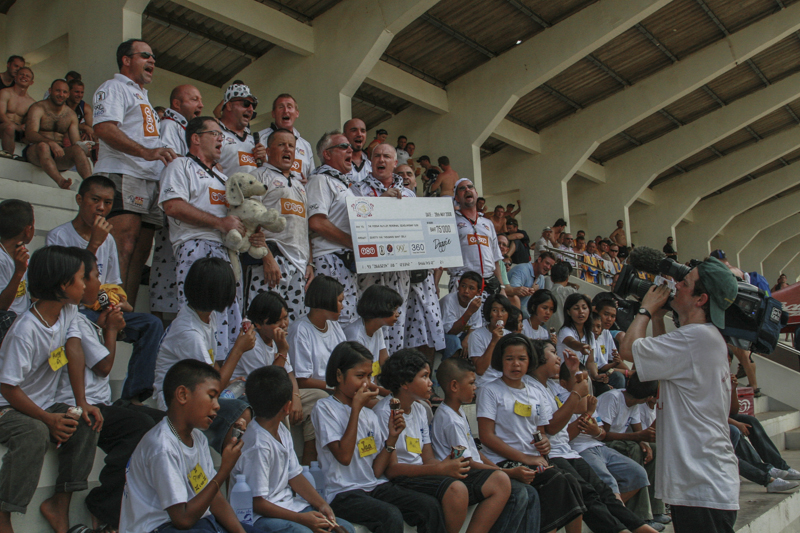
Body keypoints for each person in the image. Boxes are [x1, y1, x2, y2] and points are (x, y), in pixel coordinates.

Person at [619, 257, 740, 532]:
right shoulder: (702, 337)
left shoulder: (695, 338)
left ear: (701, 299)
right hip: (703, 481)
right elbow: (662, 364)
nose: (676, 286)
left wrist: (646, 310)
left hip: (701, 484)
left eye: (684, 283)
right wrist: (658, 318)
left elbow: (628, 349)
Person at [58, 249, 164, 531]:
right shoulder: (74, 320)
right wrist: (112, 331)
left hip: (100, 402)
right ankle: (104, 507)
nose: (99, 282)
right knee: (138, 426)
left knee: (165, 424)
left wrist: (106, 326)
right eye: (93, 276)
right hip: (81, 405)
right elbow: (104, 366)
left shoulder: (79, 318)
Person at [0, 246, 99, 533]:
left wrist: (82, 403)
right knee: (34, 433)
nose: (85, 285)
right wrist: (47, 418)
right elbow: (7, 387)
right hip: (7, 407)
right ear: (63, 285)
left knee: (86, 421)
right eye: (80, 278)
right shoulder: (26, 330)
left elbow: (74, 348)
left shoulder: (68, 310)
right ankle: (3, 512)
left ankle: (60, 503)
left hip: (41, 404)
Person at [46, 175, 165, 402]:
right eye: (95, 200)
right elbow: (64, 288)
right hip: (72, 312)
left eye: (108, 203)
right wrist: (94, 244)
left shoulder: (108, 240)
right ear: (80, 200)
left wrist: (114, 307)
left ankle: (133, 398)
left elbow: (112, 285)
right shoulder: (59, 236)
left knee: (151, 324)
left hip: (100, 307)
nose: (101, 208)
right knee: (82, 317)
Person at [310, 341, 446, 533]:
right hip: (343, 492)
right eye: (360, 376)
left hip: (373, 485)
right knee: (390, 515)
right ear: (339, 375)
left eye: (369, 376)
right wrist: (356, 410)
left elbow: (375, 471)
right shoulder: (325, 408)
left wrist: (391, 440)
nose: (366, 383)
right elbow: (344, 457)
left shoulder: (369, 415)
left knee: (429, 506)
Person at [374, 348, 512, 533]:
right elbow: (392, 470)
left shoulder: (420, 409)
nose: (431, 383)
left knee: (500, 481)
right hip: (402, 479)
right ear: (405, 382)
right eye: (424, 376)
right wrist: (439, 469)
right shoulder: (385, 413)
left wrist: (445, 467)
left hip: (425, 472)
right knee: (456, 490)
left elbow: (428, 458)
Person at [527, 339, 656, 533]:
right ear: (539, 359)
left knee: (603, 491)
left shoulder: (550, 386)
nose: (558, 357)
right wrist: (577, 395)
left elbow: (582, 408)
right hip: (555, 453)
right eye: (553, 353)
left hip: (567, 451)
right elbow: (553, 427)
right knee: (588, 493)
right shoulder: (533, 388)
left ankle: (639, 527)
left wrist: (574, 372)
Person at [119, 360, 257, 533]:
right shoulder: (162, 446)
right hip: (160, 528)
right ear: (183, 395)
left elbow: (215, 499)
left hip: (199, 522)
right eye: (211, 396)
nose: (217, 405)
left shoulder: (198, 438)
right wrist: (224, 470)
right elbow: (182, 520)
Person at [93, 39, 178, 310]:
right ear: (126, 60)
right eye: (145, 55)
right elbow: (104, 128)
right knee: (122, 246)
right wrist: (146, 152)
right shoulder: (114, 87)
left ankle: (123, 315)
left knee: (140, 253)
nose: (152, 61)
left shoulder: (142, 95)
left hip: (148, 179)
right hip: (123, 173)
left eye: (153, 57)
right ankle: (105, 312)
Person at [476, 334, 586, 533]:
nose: (516, 364)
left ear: (530, 361)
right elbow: (486, 436)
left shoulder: (534, 392)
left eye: (522, 359)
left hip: (533, 459)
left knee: (571, 481)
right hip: (503, 460)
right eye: (509, 358)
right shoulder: (490, 390)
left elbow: (540, 431)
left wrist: (544, 442)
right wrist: (525, 457)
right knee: (557, 482)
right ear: (500, 360)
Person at [233, 366, 357, 533]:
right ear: (287, 407)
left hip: (290, 506)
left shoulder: (281, 430)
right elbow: (257, 502)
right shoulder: (258, 444)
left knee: (345, 528)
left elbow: (295, 475)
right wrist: (302, 519)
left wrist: (321, 504)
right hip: (260, 517)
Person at [160, 116, 246, 356]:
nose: (221, 139)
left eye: (222, 135)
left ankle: (223, 371)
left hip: (227, 253)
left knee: (228, 319)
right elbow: (172, 206)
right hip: (195, 248)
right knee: (200, 317)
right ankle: (199, 369)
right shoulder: (180, 166)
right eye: (215, 134)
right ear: (196, 138)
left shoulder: (223, 178)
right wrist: (220, 223)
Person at [152, 258, 254, 452]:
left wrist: (230, 381)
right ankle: (231, 465)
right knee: (240, 411)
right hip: (177, 404)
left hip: (196, 392)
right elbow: (213, 385)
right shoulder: (189, 332)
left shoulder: (206, 316)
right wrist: (239, 349)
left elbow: (211, 367)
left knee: (253, 398)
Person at [432, 357, 541, 533]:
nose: (475, 387)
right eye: (471, 383)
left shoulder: (458, 412)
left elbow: (474, 453)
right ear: (454, 386)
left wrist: (499, 470)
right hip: (461, 477)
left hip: (474, 471)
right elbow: (467, 462)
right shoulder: (450, 419)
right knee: (517, 493)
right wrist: (507, 472)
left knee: (530, 493)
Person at [352, 144, 413, 355]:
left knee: (396, 319)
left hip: (400, 270)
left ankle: (391, 370)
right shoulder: (357, 189)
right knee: (371, 316)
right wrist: (379, 204)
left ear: (395, 163)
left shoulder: (409, 194)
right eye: (377, 156)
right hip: (371, 268)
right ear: (370, 161)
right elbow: (355, 224)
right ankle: (366, 368)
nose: (381, 159)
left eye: (387, 156)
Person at [246, 128, 312, 321]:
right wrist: (267, 258)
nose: (287, 149)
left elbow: (304, 227)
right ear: (268, 150)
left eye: (291, 146)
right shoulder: (258, 176)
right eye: (281, 144)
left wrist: (309, 263)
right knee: (265, 322)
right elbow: (250, 220)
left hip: (299, 266)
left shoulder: (300, 185)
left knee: (293, 325)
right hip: (272, 261)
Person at [149, 85, 204, 319]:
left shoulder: (183, 128)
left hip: (184, 208)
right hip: (172, 206)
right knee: (166, 265)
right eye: (194, 99)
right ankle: (164, 320)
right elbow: (171, 161)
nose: (201, 105)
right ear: (176, 104)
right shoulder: (170, 126)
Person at [287, 275, 347, 462]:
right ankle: (310, 465)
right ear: (325, 300)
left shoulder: (334, 326)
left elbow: (347, 360)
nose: (342, 306)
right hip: (313, 390)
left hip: (335, 387)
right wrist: (335, 387)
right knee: (320, 400)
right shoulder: (301, 330)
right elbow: (302, 379)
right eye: (339, 301)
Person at [597, 374, 665, 528]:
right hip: (603, 444)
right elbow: (603, 435)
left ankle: (656, 509)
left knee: (654, 448)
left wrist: (645, 443)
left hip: (620, 441)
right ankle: (640, 515)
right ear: (648, 397)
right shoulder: (613, 398)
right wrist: (638, 437)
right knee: (633, 449)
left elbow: (638, 432)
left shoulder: (634, 404)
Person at [306, 131, 357, 325]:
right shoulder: (320, 180)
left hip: (344, 262)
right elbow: (316, 222)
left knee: (347, 321)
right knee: (334, 322)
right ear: (327, 154)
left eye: (350, 146)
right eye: (343, 146)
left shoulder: (343, 184)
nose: (350, 149)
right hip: (329, 260)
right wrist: (352, 243)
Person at [23, 79, 92, 189]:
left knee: (77, 149)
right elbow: (30, 134)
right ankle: (61, 181)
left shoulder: (70, 114)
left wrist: (85, 147)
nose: (61, 95)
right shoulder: (38, 107)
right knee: (43, 146)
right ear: (50, 91)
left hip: (58, 155)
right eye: (58, 91)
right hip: (36, 152)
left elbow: (76, 142)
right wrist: (50, 142)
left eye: (64, 92)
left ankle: (91, 185)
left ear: (68, 94)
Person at [449, 178, 505, 299]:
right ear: (457, 198)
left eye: (470, 187)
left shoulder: (488, 223)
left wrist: (502, 287)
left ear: (476, 194)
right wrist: (436, 285)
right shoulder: (451, 221)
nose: (467, 189)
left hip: (489, 282)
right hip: (463, 282)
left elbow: (495, 258)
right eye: (462, 188)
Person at [343, 284, 401, 397]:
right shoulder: (356, 335)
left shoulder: (377, 330)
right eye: (394, 309)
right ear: (379, 308)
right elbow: (358, 379)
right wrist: (393, 394)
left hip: (372, 388)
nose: (397, 314)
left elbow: (386, 364)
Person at [258, 94, 314, 183]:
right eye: (281, 107)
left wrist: (307, 184)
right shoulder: (259, 138)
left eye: (289, 107)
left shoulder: (306, 145)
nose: (285, 111)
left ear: (297, 113)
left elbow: (311, 177)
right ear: (273, 113)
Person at [217, 84, 266, 177]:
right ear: (229, 105)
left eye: (253, 105)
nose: (251, 109)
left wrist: (264, 162)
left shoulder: (254, 141)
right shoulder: (214, 134)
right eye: (246, 104)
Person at [468, 294, 515, 387]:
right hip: (485, 383)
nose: (499, 315)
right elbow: (480, 370)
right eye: (495, 310)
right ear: (489, 313)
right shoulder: (476, 335)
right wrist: (494, 341)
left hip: (505, 383)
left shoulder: (510, 336)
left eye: (503, 310)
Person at [440, 271, 484, 359]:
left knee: (477, 339)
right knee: (454, 341)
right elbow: (451, 331)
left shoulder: (475, 301)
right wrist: (469, 312)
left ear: (478, 292)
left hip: (462, 335)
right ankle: (450, 365)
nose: (466, 291)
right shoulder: (448, 300)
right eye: (463, 286)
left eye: (471, 288)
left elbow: (475, 327)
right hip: (443, 336)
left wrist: (467, 339)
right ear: (458, 286)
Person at [0, 199, 33, 314]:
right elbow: (1, 306)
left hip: (23, 315)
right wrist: (19, 272)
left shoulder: (20, 251)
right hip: (8, 320)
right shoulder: (1, 259)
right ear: (28, 230)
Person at [0, 66, 35, 158]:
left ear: (31, 82)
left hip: (19, 132)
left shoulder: (32, 103)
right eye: (21, 74)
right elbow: (1, 114)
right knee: (9, 127)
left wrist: (25, 127)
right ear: (15, 77)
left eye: (27, 76)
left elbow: (30, 122)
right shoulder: (5, 92)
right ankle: (9, 156)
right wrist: (16, 127)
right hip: (3, 126)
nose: (24, 77)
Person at [508, 252, 556, 317]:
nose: (548, 267)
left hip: (526, 314)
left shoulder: (541, 278)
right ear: (539, 260)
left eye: (551, 266)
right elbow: (512, 292)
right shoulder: (522, 270)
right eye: (547, 263)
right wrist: (532, 290)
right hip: (511, 312)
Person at [544, 262, 577, 332]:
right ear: (567, 278)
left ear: (551, 278)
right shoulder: (571, 292)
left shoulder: (545, 295)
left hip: (549, 333)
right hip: (567, 333)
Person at [343, 118, 371, 183]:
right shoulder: (337, 164)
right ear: (344, 136)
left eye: (363, 131)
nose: (359, 134)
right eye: (354, 130)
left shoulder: (371, 166)